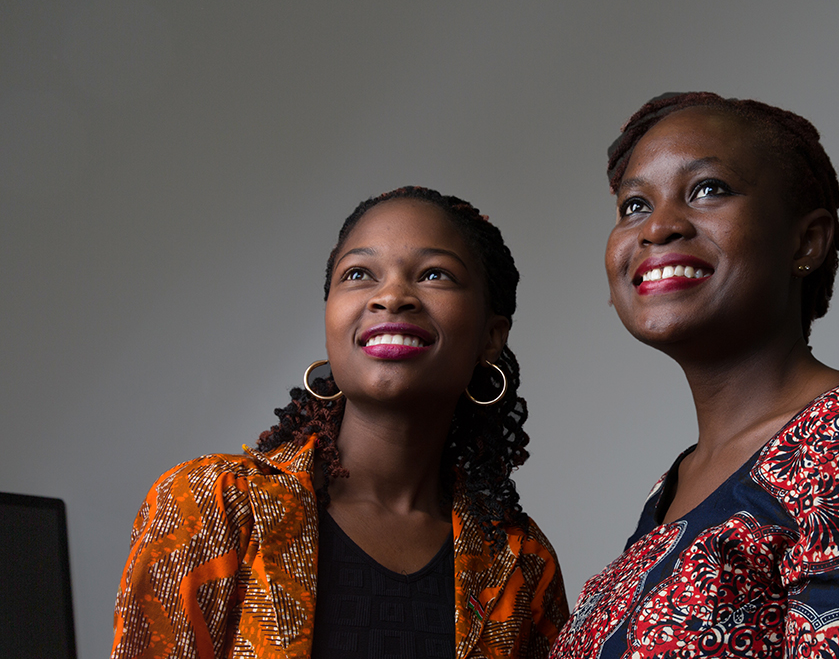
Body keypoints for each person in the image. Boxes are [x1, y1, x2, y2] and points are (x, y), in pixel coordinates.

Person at [550, 93, 839, 659]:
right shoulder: (671, 489)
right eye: (634, 205)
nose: (659, 227)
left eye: (707, 189)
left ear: (806, 241)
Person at [112, 186, 568, 659]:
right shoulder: (211, 504)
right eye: (358, 274)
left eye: (435, 274)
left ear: (491, 337)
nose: (391, 296)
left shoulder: (520, 564)